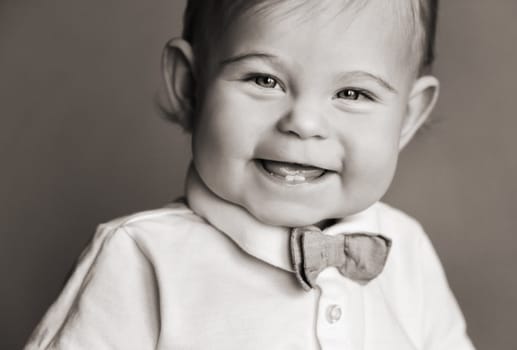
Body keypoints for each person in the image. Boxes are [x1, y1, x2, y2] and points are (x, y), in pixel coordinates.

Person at [25, 0, 476, 349]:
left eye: (353, 93)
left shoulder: (406, 248)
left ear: (407, 118)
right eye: (264, 80)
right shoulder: (140, 256)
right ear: (189, 86)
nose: (304, 123)